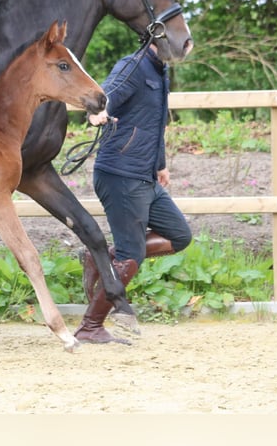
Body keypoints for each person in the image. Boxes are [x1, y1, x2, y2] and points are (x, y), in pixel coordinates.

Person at [75, 42, 192, 345]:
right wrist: (98, 111)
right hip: (121, 174)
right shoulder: (133, 66)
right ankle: (91, 325)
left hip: (144, 175)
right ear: (155, 36)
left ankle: (98, 258)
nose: (183, 46)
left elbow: (154, 124)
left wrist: (161, 164)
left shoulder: (159, 70)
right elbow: (109, 93)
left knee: (179, 235)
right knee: (132, 254)